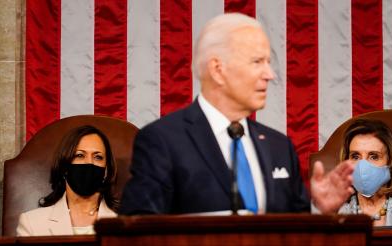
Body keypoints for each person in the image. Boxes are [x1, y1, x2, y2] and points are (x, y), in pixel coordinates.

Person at [120, 13, 354, 215]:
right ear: (218, 70)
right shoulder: (162, 141)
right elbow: (138, 231)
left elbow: (294, 229)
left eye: (268, 62)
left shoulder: (278, 146)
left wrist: (319, 210)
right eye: (257, 62)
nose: (270, 74)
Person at [16, 125, 118, 236]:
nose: (89, 163)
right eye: (79, 155)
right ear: (64, 166)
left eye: (98, 157)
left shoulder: (128, 221)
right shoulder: (32, 223)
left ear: (106, 169)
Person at [336, 118, 392, 226]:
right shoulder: (335, 212)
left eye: (374, 156)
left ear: (391, 161)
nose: (363, 166)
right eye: (355, 156)